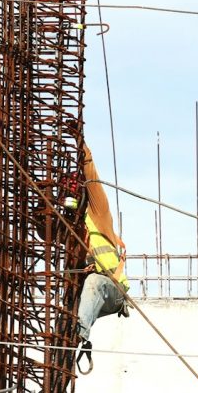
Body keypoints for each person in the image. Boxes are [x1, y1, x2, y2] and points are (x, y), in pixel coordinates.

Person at [75, 147, 130, 370]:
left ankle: (80, 332)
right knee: (70, 299)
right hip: (91, 298)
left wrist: (83, 151)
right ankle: (70, 333)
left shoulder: (97, 215)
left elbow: (92, 181)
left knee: (95, 282)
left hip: (114, 291)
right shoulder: (71, 230)